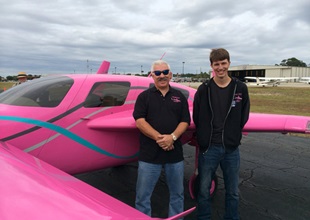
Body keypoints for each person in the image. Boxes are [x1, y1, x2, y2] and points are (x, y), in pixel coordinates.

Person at [193, 48, 250, 220]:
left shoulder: (240, 88)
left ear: (229, 63)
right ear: (211, 66)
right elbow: (197, 116)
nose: (220, 67)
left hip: (231, 149)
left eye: (223, 63)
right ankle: (204, 217)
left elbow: (244, 115)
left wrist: (233, 135)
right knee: (203, 190)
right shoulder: (204, 89)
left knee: (232, 191)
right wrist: (204, 138)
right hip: (209, 148)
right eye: (216, 64)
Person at [133, 60, 191, 217]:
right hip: (149, 157)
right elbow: (139, 121)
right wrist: (161, 139)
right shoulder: (144, 97)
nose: (162, 76)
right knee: (142, 197)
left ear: (170, 75)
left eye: (165, 72)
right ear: (152, 76)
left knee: (177, 195)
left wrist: (172, 137)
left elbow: (185, 121)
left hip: (174, 156)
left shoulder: (179, 96)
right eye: (158, 73)